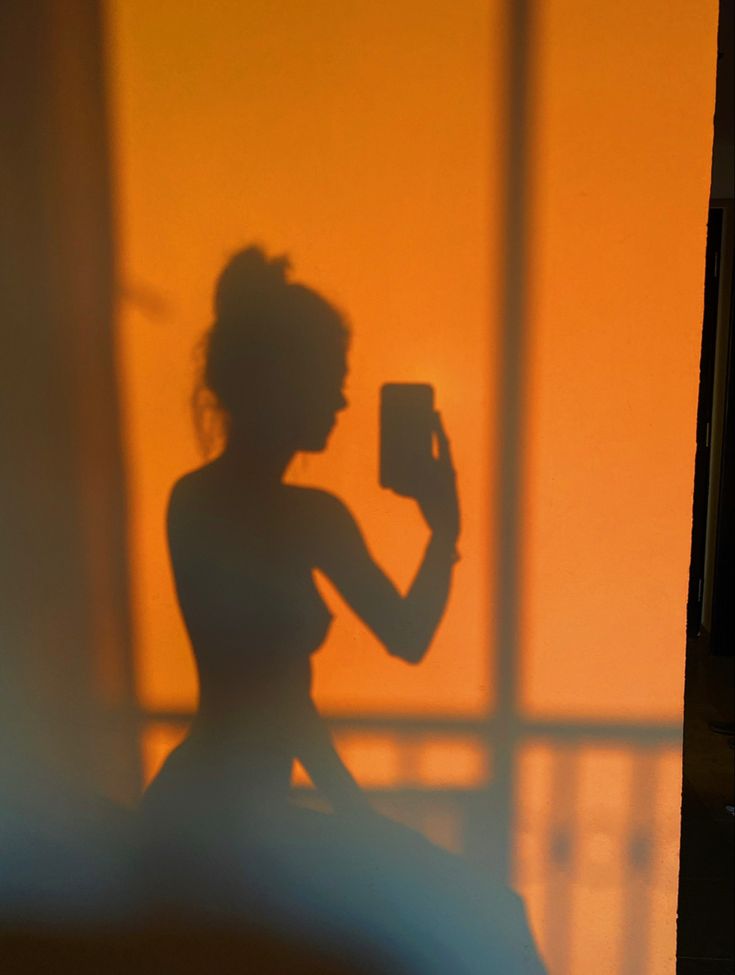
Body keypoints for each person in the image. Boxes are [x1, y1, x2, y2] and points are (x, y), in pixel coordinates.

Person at [139, 246, 546, 974]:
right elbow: (271, 697)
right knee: (478, 917)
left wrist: (443, 532)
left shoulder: (235, 506)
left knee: (478, 914)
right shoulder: (259, 511)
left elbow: (404, 637)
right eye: (331, 380)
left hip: (229, 814)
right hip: (219, 825)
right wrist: (361, 822)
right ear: (278, 382)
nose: (341, 402)